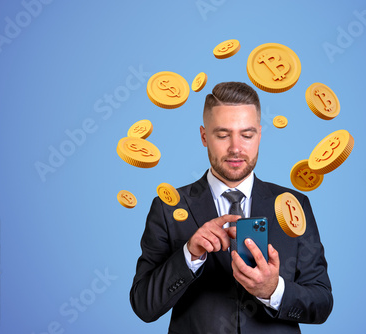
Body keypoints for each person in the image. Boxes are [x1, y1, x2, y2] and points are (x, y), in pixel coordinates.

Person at [130, 82, 333, 333]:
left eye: (247, 135)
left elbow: (322, 302)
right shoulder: (167, 207)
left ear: (260, 134)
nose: (236, 148)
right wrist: (188, 256)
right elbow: (143, 306)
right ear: (204, 136)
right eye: (223, 135)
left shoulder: (295, 205)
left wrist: (273, 290)